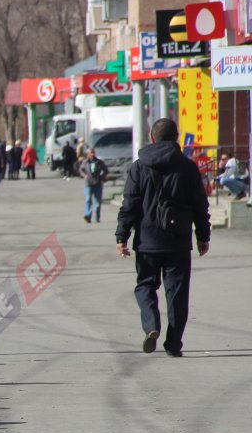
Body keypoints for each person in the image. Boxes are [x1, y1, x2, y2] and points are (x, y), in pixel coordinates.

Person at [115, 118, 211, 358]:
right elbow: (200, 204)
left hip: (147, 241)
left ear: (152, 137)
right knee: (177, 292)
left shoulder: (139, 168)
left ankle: (152, 326)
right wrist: (203, 235)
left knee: (145, 285)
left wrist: (122, 236)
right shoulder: (187, 168)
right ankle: (174, 344)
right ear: (176, 137)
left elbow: (130, 205)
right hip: (178, 241)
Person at [79, 147, 110, 224]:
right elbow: (81, 170)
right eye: (90, 153)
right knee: (88, 200)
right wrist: (84, 175)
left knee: (98, 202)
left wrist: (101, 177)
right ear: (88, 154)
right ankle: (88, 215)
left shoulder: (99, 162)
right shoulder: (85, 162)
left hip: (97, 184)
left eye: (93, 152)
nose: (92, 154)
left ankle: (97, 217)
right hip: (88, 184)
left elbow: (106, 170)